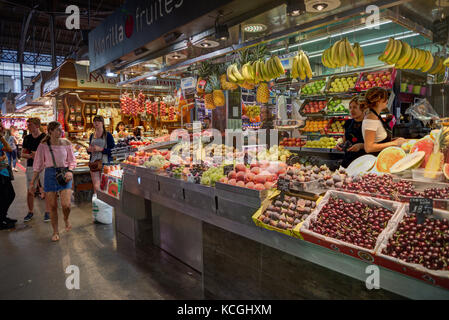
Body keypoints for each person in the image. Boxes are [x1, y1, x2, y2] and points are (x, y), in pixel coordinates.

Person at [30, 121, 76, 242]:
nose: (60, 132)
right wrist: (33, 182)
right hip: (50, 175)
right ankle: (55, 231)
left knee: (66, 205)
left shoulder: (66, 143)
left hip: (64, 174)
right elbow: (38, 164)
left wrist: (70, 171)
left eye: (61, 129)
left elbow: (72, 160)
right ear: (50, 131)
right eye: (57, 130)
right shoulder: (43, 145)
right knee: (53, 206)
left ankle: (66, 218)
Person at [362, 87, 406, 156]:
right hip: (375, 158)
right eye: (385, 98)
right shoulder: (371, 118)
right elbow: (369, 148)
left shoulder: (375, 115)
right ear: (379, 100)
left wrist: (393, 140)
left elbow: (378, 138)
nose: (387, 100)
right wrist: (395, 143)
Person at [22, 118, 50, 222]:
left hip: (43, 166)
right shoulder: (27, 138)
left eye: (30, 125)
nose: (28, 127)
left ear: (37, 126)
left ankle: (47, 211)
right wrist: (30, 155)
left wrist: (38, 155)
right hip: (31, 166)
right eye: (28, 125)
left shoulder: (45, 137)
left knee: (46, 189)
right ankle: (30, 211)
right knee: (30, 190)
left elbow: (50, 153)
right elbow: (23, 154)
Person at [87, 115, 115, 193]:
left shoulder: (108, 135)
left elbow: (113, 150)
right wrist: (89, 150)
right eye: (95, 121)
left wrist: (101, 149)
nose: (96, 123)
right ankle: (98, 203)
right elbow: (90, 149)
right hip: (94, 163)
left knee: (105, 185)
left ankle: (105, 203)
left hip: (105, 163)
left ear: (102, 123)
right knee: (96, 186)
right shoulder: (92, 135)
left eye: (98, 121)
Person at [337, 97, 366, 167]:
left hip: (364, 160)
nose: (351, 110)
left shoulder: (368, 123)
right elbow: (344, 140)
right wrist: (340, 145)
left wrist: (360, 146)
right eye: (350, 108)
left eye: (355, 107)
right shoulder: (348, 123)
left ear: (363, 109)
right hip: (348, 160)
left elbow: (374, 144)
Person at [0, 124, 17, 230]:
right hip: (0, 173)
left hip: (4, 171)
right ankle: (1, 220)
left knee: (10, 195)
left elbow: (9, 149)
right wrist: (1, 158)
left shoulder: (1, 139)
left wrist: (1, 138)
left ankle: (3, 217)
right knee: (4, 197)